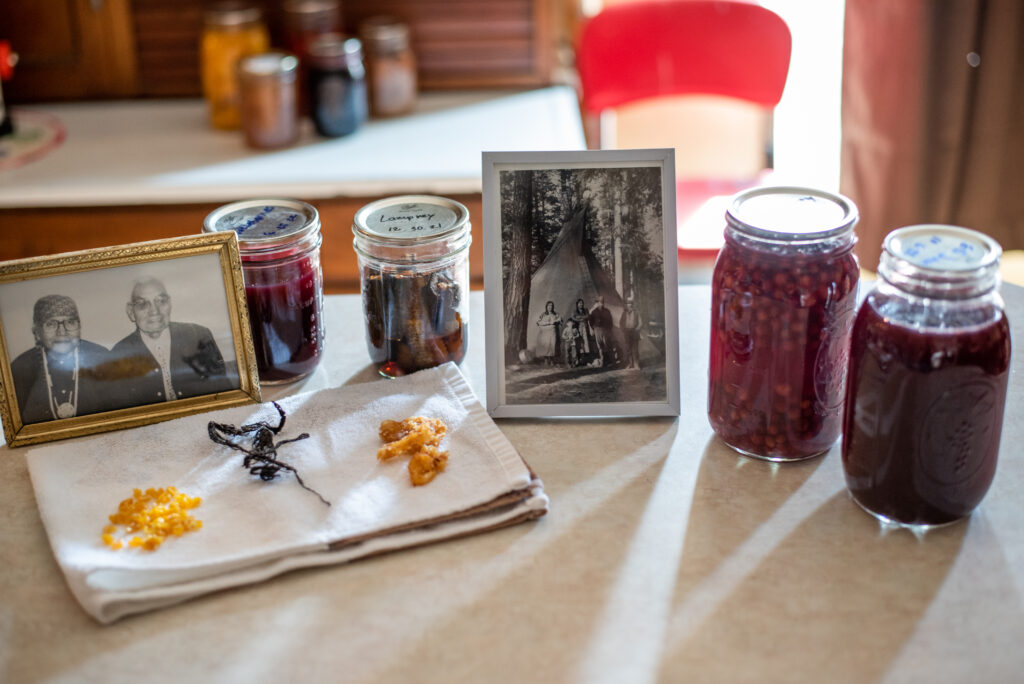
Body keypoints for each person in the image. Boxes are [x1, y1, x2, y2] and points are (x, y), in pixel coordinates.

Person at [108, 276, 235, 407]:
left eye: (161, 301)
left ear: (169, 304)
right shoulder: (118, 354)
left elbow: (224, 395)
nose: (154, 311)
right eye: (142, 304)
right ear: (131, 311)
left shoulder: (199, 336)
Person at [10, 295, 113, 423]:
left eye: (70, 322)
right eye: (51, 324)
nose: (62, 331)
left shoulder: (103, 358)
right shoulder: (20, 368)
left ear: (79, 327)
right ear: (37, 332)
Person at [563, 298, 593, 368]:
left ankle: (585, 360)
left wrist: (580, 317)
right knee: (578, 344)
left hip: (585, 329)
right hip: (578, 329)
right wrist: (581, 318)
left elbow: (588, 316)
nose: (581, 304)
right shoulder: (574, 311)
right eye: (579, 303)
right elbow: (573, 318)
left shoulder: (585, 310)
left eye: (582, 303)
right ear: (577, 304)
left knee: (585, 344)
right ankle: (578, 360)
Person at [588, 295, 614, 367]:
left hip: (605, 330)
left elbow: (610, 321)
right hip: (597, 329)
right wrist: (594, 327)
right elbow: (590, 321)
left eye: (602, 302)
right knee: (600, 346)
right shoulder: (594, 312)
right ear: (597, 303)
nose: (601, 304)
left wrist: (609, 329)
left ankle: (610, 361)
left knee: (607, 345)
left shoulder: (607, 311)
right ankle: (602, 361)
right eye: (599, 302)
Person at [535, 301, 562, 365]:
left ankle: (552, 360)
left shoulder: (556, 314)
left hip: (552, 332)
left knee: (552, 345)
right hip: (545, 333)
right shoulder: (543, 314)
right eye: (549, 306)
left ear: (553, 307)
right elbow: (538, 322)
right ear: (546, 306)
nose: (550, 307)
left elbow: (560, 320)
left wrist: (555, 321)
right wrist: (547, 323)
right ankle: (546, 360)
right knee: (546, 346)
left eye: (551, 305)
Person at [619, 297, 642, 369]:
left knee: (635, 349)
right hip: (627, 333)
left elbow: (640, 323)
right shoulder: (624, 313)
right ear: (626, 304)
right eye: (628, 303)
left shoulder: (636, 312)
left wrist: (637, 329)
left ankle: (636, 364)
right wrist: (623, 330)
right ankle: (630, 364)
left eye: (631, 303)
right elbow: (621, 323)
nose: (630, 305)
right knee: (628, 348)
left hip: (634, 332)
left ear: (633, 304)